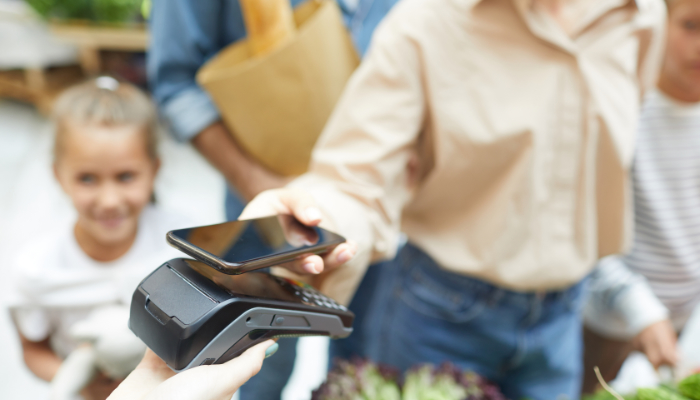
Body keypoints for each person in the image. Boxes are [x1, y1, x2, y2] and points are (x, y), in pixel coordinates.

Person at [239, 0, 667, 398]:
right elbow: (355, 180)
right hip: (442, 315)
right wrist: (313, 218)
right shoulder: (429, 20)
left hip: (563, 319)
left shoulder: (641, 16)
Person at [147, 1, 399, 398]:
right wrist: (261, 185)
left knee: (362, 369)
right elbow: (176, 82)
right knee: (256, 363)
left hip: (382, 216)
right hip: (270, 212)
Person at [9, 77, 191, 400]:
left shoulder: (182, 247)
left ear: (154, 169)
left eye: (125, 176)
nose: (109, 200)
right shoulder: (37, 269)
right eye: (87, 178)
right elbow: (33, 350)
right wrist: (79, 383)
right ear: (58, 175)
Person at [582, 0, 700, 391]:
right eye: (690, 26)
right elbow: (585, 229)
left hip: (689, 333)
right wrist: (639, 310)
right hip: (609, 328)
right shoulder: (623, 110)